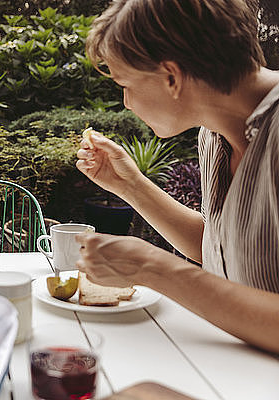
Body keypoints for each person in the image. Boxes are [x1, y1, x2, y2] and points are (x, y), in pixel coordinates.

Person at [75, 0, 279, 354]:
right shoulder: (213, 135)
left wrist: (154, 268)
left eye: (125, 84)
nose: (125, 102)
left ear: (171, 77)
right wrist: (129, 185)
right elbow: (221, 248)